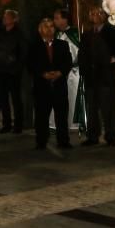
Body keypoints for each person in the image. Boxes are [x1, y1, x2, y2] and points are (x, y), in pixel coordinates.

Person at [78, 6, 115, 146]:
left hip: (106, 76)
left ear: (103, 16)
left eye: (97, 13)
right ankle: (93, 136)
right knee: (91, 108)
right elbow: (82, 55)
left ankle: (110, 136)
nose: (94, 16)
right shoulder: (87, 34)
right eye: (91, 13)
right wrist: (84, 71)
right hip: (90, 77)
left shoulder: (112, 32)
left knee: (108, 108)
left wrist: (114, 62)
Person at [28, 18, 73, 150]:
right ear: (40, 30)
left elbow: (68, 62)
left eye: (51, 26)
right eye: (46, 26)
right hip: (42, 86)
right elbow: (31, 64)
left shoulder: (62, 45)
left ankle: (63, 141)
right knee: (41, 115)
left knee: (61, 115)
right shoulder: (34, 46)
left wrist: (60, 73)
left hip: (59, 85)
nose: (49, 29)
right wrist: (43, 74)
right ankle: (41, 141)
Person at [0, 9, 25, 134]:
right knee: (2, 98)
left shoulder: (19, 34)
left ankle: (18, 125)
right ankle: (6, 124)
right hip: (0, 70)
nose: (4, 18)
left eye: (7, 17)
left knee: (16, 99)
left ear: (14, 19)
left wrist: (16, 65)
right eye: (4, 16)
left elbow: (22, 53)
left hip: (13, 72)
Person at [52, 8, 84, 136]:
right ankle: (57, 123)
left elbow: (79, 51)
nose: (56, 21)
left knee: (72, 96)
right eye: (55, 18)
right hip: (59, 72)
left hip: (73, 72)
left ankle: (74, 123)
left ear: (65, 19)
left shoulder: (75, 33)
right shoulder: (56, 34)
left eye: (58, 18)